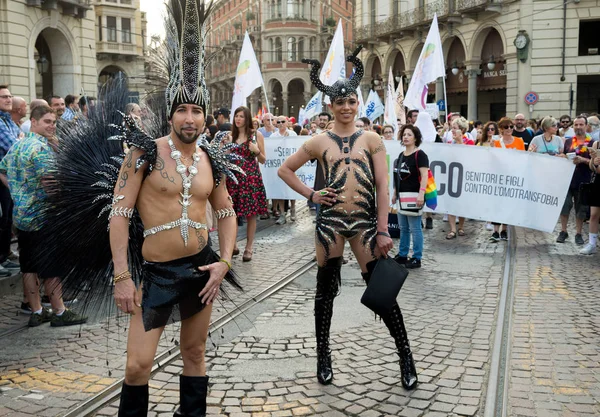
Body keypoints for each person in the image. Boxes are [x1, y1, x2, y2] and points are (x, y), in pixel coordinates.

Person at [279, 47, 418, 391]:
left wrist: (384, 230)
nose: (345, 106)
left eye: (351, 101)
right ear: (330, 105)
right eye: (339, 102)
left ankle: (406, 358)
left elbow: (385, 187)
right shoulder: (318, 141)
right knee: (324, 293)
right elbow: (285, 170)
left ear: (357, 104)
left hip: (366, 227)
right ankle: (323, 356)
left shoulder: (372, 139)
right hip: (329, 226)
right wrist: (311, 195)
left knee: (383, 292)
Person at [0, 105, 87, 327]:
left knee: (28, 266)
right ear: (34, 121)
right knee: (51, 266)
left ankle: (37, 311)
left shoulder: (18, 146)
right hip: (43, 217)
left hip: (22, 216)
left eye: (54, 122)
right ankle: (59, 312)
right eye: (47, 121)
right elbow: (50, 184)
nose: (52, 126)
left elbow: (1, 170)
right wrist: (62, 205)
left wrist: (17, 192)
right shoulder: (40, 149)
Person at [226, 106, 268, 262]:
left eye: (241, 116)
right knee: (232, 213)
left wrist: (256, 151)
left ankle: (249, 248)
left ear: (247, 118)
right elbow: (226, 158)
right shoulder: (231, 137)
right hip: (234, 178)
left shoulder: (256, 136)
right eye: (236, 116)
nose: (238, 119)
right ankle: (234, 244)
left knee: (251, 215)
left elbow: (263, 160)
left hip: (251, 178)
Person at [391, 125, 429, 269]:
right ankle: (402, 255)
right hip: (402, 196)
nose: (406, 137)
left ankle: (416, 258)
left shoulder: (420, 155)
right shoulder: (401, 155)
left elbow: (424, 175)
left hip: (414, 195)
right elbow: (398, 177)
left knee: (415, 228)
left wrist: (421, 194)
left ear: (416, 138)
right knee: (403, 228)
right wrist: (395, 193)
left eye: (409, 135)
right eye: (404, 134)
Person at [558, 115, 594, 245]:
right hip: (567, 180)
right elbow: (562, 155)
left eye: (581, 124)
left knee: (581, 209)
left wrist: (583, 160)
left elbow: (595, 163)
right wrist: (561, 156)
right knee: (565, 206)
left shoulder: (592, 142)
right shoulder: (568, 142)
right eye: (576, 125)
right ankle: (563, 231)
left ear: (586, 126)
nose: (578, 127)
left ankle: (578, 233)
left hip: (584, 180)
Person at [0, 85, 21, 277]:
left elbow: (21, 139)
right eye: (4, 97)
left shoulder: (8, 121)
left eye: (9, 96)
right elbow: (15, 146)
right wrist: (21, 140)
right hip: (1, 177)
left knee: (6, 218)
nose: (8, 99)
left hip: (7, 176)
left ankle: (4, 255)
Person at [446, 116, 473, 239]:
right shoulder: (449, 143)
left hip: (464, 176)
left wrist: (460, 142)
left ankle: (461, 226)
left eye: (455, 128)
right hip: (452, 176)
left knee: (462, 203)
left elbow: (468, 157)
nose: (452, 130)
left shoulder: (469, 142)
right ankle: (452, 229)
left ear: (462, 130)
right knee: (451, 203)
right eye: (452, 128)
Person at [271, 116, 298, 224]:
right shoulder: (273, 136)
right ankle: (282, 213)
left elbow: (296, 148)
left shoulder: (293, 134)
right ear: (276, 124)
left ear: (287, 123)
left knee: (292, 188)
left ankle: (293, 208)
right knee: (280, 189)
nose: (281, 123)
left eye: (283, 121)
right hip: (279, 166)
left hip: (291, 166)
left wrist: (287, 140)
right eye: (278, 122)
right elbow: (272, 150)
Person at [581, 142, 600, 254]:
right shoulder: (596, 144)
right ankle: (592, 244)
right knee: (593, 215)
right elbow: (592, 168)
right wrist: (593, 160)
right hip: (598, 183)